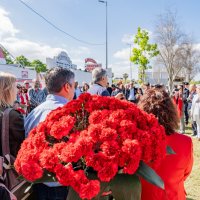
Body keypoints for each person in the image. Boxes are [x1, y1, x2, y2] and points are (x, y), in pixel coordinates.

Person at [25, 67, 75, 200]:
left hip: (38, 184)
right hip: (62, 186)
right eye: (74, 85)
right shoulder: (69, 114)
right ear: (67, 87)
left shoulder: (33, 113)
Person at [138, 88, 193, 200]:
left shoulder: (135, 140)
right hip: (173, 195)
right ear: (171, 112)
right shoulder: (185, 142)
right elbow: (186, 172)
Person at [0, 72, 25, 199]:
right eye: (15, 87)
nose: (17, 90)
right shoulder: (13, 115)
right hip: (6, 173)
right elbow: (21, 147)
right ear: (7, 90)